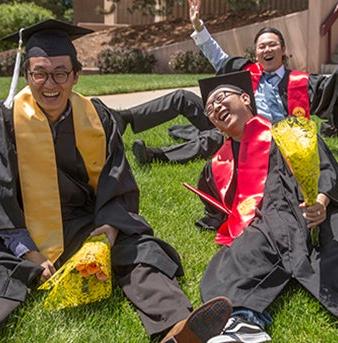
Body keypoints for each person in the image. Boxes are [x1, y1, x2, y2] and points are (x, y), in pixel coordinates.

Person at [0, 19, 234, 342]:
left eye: (60, 73)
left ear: (76, 76)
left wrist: (106, 233)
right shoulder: (6, 122)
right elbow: (3, 196)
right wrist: (29, 253)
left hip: (85, 223)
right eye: (39, 73)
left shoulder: (98, 117)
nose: (49, 83)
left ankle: (177, 329)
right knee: (5, 269)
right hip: (23, 230)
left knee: (140, 251)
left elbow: (117, 182)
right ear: (27, 75)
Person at [189, 70, 338, 343]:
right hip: (270, 218)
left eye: (222, 98)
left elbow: (324, 164)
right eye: (210, 109)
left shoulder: (288, 131)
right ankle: (242, 324)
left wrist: (321, 199)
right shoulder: (217, 165)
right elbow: (217, 208)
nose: (216, 108)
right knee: (237, 256)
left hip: (310, 206)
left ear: (246, 99)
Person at [130, 0, 338, 165]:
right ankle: (125, 118)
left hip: (266, 139)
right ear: (256, 53)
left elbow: (332, 90)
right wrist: (198, 25)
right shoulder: (247, 70)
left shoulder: (301, 82)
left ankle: (154, 155)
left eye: (272, 45)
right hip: (230, 119)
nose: (266, 50)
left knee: (215, 139)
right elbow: (218, 58)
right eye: (262, 47)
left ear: (283, 50)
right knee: (182, 97)